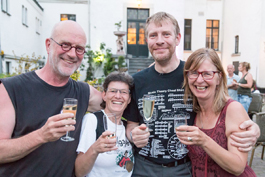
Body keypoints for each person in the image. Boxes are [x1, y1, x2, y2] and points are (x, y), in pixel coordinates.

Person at [123, 12, 260, 177]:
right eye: (153, 35)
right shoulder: (137, 81)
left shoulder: (194, 74)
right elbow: (131, 124)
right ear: (147, 41)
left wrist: (253, 127)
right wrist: (132, 134)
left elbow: (222, 104)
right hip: (144, 167)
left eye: (166, 34)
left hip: (184, 168)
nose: (159, 40)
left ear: (178, 38)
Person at [0, 21, 102, 177]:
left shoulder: (83, 92)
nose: (72, 54)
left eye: (79, 49)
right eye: (65, 45)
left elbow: (119, 101)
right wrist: (41, 135)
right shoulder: (11, 88)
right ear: (48, 45)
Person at [177, 48, 256, 176]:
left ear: (219, 78)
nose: (199, 79)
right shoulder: (192, 111)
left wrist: (204, 140)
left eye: (207, 74)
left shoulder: (232, 109)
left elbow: (238, 166)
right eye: (193, 73)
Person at [75, 71, 134, 177]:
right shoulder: (92, 120)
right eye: (113, 91)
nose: (118, 96)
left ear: (129, 99)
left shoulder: (128, 126)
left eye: (123, 92)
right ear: (104, 95)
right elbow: (79, 172)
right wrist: (95, 149)